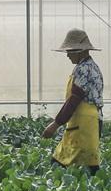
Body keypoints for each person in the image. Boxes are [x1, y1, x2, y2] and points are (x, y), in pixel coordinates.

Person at [42, 29, 103, 173]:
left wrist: (55, 124)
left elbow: (74, 99)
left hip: (84, 123)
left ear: (80, 51)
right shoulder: (91, 67)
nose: (68, 55)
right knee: (85, 163)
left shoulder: (83, 69)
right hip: (88, 121)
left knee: (67, 163)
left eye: (70, 51)